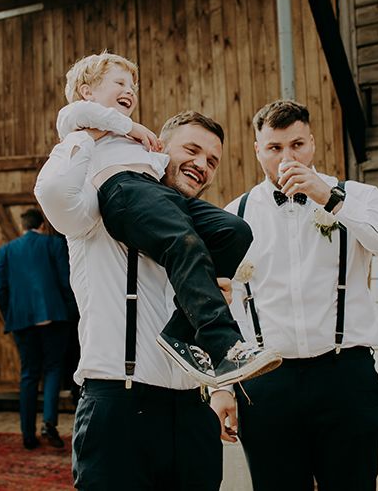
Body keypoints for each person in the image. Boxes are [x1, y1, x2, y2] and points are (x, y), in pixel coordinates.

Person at [211, 99, 378, 491]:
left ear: (312, 143)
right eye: (275, 148)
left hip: (345, 378)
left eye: (296, 145)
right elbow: (222, 309)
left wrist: (333, 200)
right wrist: (223, 385)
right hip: (266, 385)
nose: (286, 157)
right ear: (258, 149)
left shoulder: (355, 196)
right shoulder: (234, 214)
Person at [35, 103, 250, 490]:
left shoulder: (209, 233)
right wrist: (94, 132)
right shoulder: (97, 205)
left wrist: (220, 387)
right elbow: (53, 190)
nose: (202, 164)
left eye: (212, 161)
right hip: (119, 405)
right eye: (192, 150)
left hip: (191, 410)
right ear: (156, 148)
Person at [55, 52, 280, 387]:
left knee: (233, 231)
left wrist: (207, 284)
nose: (129, 90)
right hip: (123, 189)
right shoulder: (86, 123)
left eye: (132, 85)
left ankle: (180, 333)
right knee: (183, 241)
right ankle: (226, 347)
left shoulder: (137, 147)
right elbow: (75, 115)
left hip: (158, 195)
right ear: (87, 91)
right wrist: (131, 127)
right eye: (119, 82)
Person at [0, 208, 75, 450]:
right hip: (54, 317)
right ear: (42, 225)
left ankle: (27, 435)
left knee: (28, 374)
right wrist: (70, 313)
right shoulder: (53, 245)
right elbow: (66, 281)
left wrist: (12, 314)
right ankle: (49, 423)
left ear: (24, 226)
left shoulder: (6, 250)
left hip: (22, 320)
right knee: (52, 369)